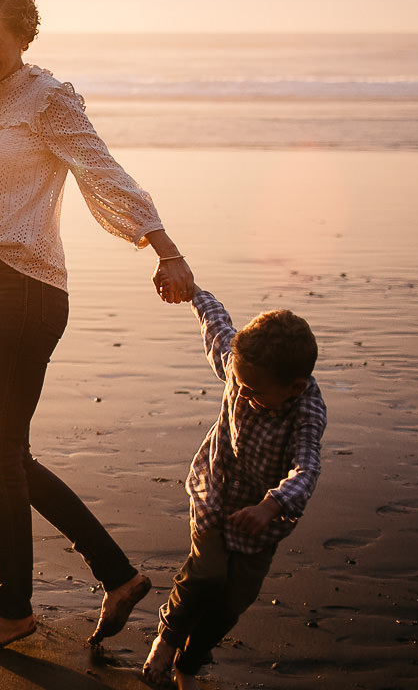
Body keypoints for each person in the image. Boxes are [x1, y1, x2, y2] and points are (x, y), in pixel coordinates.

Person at [0, 0, 196, 651]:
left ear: (24, 37)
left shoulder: (47, 99)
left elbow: (103, 171)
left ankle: (14, 610)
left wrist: (166, 250)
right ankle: (118, 576)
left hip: (29, 288)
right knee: (9, 454)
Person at [142, 290, 325, 689]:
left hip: (260, 521)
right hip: (215, 492)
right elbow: (217, 326)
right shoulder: (242, 368)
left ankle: (189, 664)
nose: (242, 393)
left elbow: (307, 468)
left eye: (254, 391)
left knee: (233, 601)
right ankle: (166, 641)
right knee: (206, 574)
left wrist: (271, 505)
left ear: (295, 387)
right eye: (239, 383)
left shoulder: (306, 411)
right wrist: (192, 291)